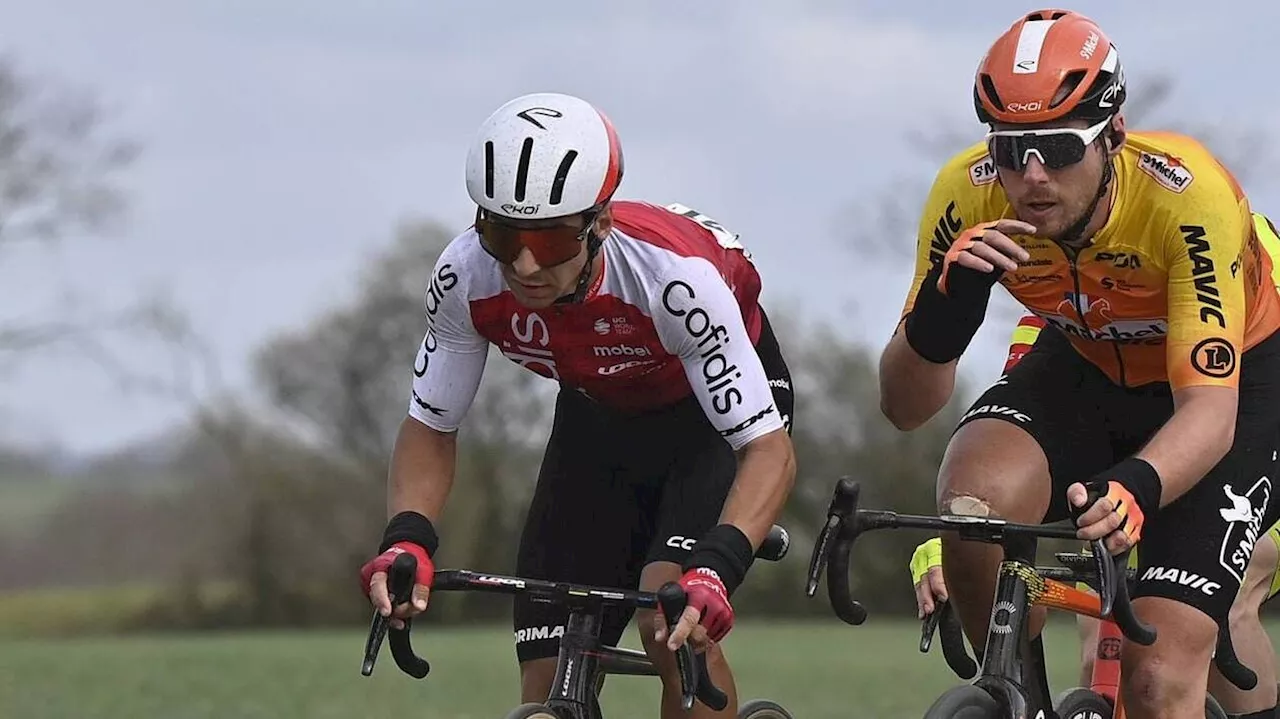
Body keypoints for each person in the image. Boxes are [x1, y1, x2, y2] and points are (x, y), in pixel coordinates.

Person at [878, 8, 1280, 718]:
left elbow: (1210, 414)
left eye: (1060, 148)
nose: (1031, 177)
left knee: (1156, 674)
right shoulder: (965, 191)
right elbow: (905, 406)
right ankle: (1020, 697)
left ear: (1113, 134)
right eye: (1010, 148)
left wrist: (1136, 487)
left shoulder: (1186, 197)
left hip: (1236, 380)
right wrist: (947, 315)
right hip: (1092, 356)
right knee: (973, 503)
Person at [357, 91, 797, 718]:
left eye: (554, 239)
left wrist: (716, 569)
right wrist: (408, 539)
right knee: (546, 679)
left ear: (601, 224)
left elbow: (766, 449)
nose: (526, 264)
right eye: (503, 235)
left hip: (712, 426)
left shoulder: (672, 280)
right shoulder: (466, 278)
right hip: (600, 417)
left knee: (667, 619)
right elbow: (431, 424)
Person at [914, 303, 1280, 718]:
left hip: (1248, 470)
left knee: (1222, 604)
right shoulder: (1057, 306)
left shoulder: (1229, 264)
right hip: (1125, 501)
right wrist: (967, 537)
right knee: (1099, 654)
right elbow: (1030, 460)